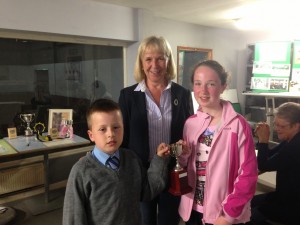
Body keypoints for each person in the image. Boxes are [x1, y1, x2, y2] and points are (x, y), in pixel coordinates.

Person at [118, 35, 193, 225]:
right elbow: (122, 138)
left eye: (160, 58)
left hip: (172, 171)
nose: (155, 65)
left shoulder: (182, 94)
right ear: (142, 63)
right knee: (144, 220)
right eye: (149, 59)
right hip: (142, 173)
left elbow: (190, 131)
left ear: (168, 61)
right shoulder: (127, 96)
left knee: (169, 220)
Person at [62, 98, 170, 225]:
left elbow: (147, 191)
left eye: (116, 127)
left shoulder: (132, 159)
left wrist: (159, 159)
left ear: (123, 128)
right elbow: (74, 218)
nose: (111, 134)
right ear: (91, 135)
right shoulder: (81, 171)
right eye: (103, 129)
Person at [178, 60, 258, 225]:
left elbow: (248, 175)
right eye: (198, 83)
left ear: (223, 86)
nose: (203, 91)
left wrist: (228, 216)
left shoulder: (237, 124)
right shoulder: (190, 123)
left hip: (223, 215)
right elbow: (186, 166)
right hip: (192, 210)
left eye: (211, 84)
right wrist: (184, 155)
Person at [250, 102, 300, 225]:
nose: (276, 129)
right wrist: (263, 141)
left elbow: (263, 165)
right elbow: (270, 157)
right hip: (283, 196)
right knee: (246, 201)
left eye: (281, 126)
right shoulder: (290, 139)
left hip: (291, 206)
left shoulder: (296, 146)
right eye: (275, 124)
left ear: (296, 126)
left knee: (247, 214)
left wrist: (263, 140)